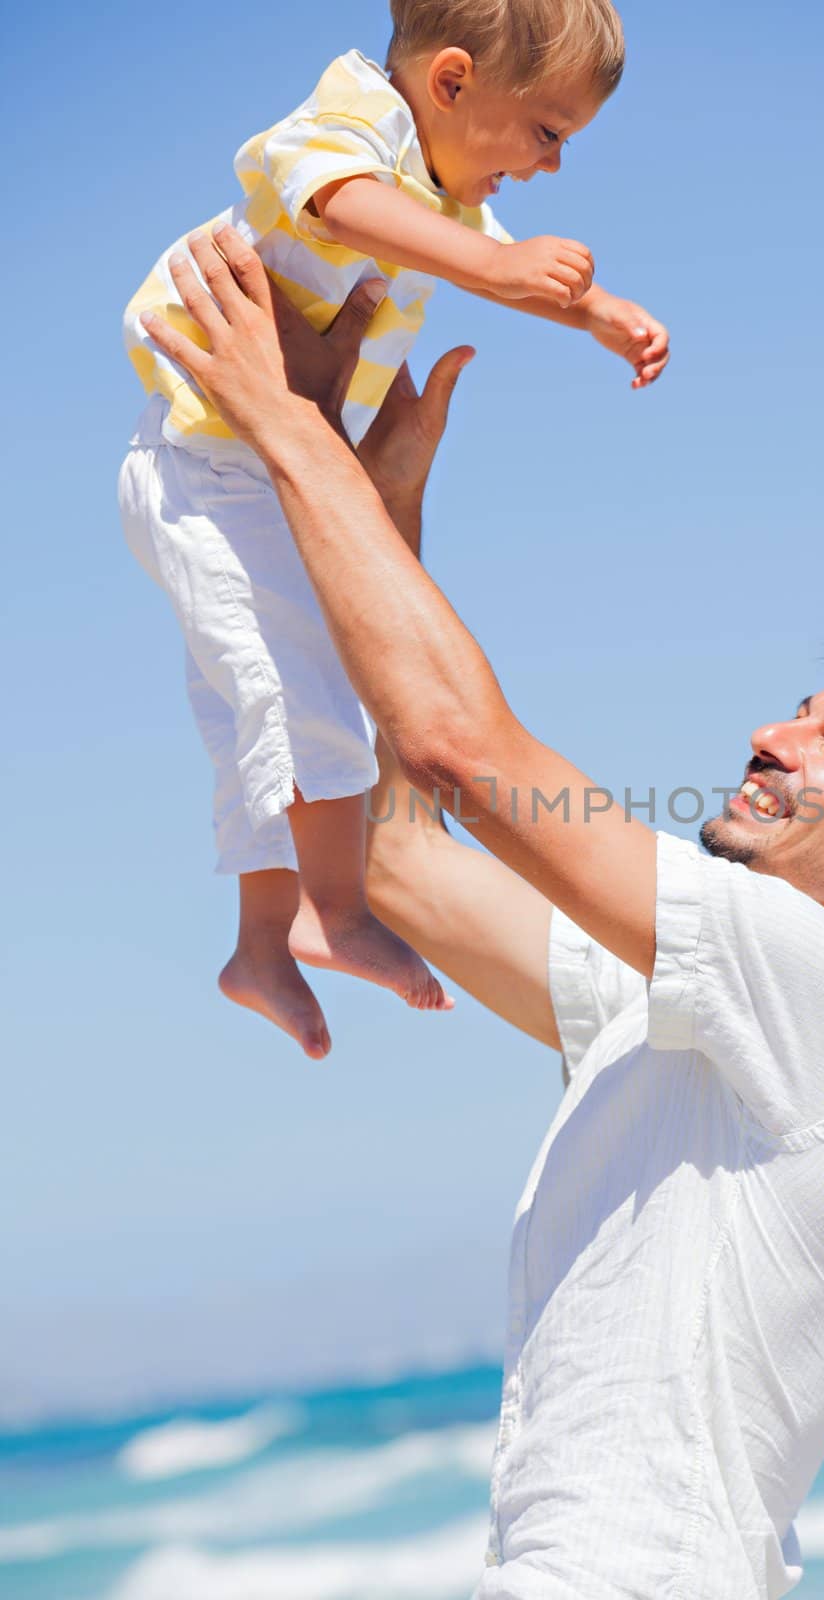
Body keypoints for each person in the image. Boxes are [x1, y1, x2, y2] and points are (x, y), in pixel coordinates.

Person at [140, 229, 824, 1598]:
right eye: (794, 713)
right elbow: (393, 853)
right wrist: (380, 508)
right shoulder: (679, 1003)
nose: (767, 739)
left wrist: (286, 431)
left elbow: (471, 755)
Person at [119, 0, 668, 1059]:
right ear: (452, 82)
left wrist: (596, 313)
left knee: (260, 703)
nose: (551, 168)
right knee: (303, 687)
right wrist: (495, 270)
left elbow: (497, 259)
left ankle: (263, 943)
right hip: (203, 459)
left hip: (248, 467)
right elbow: (332, 199)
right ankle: (337, 905)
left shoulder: (442, 192)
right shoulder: (356, 123)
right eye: (547, 131)